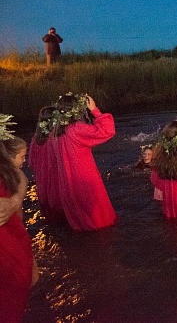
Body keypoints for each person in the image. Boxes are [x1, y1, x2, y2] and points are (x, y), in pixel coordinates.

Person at [52, 93, 118, 231]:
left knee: (80, 221)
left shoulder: (56, 132)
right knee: (100, 222)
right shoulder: (76, 129)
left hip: (68, 181)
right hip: (83, 178)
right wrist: (95, 110)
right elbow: (107, 131)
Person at [0, 116, 38, 323]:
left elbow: (19, 175)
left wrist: (15, 200)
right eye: (22, 156)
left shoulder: (8, 172)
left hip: (13, 254)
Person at [28, 106, 64, 221]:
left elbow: (32, 162)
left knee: (49, 211)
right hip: (55, 176)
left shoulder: (35, 139)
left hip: (42, 178)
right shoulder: (56, 138)